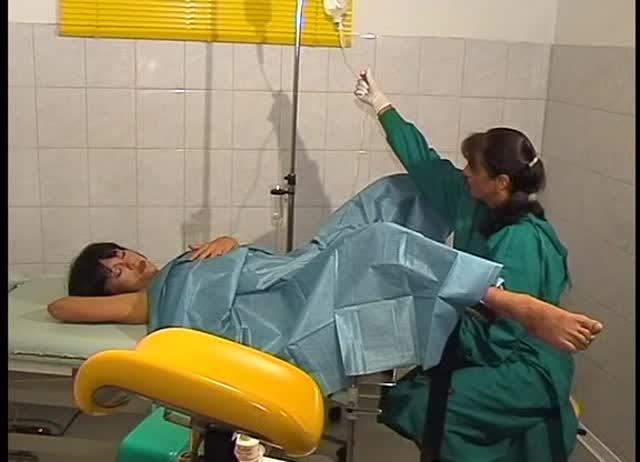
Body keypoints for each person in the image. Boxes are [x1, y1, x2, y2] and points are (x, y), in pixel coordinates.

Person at [354, 68, 600, 461]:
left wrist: (425, 327)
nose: (465, 171)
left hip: (523, 363)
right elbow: (423, 161)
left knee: (426, 407)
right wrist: (381, 105)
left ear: (501, 182)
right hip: (487, 342)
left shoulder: (522, 241)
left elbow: (502, 333)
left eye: (474, 167)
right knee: (406, 398)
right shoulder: (472, 198)